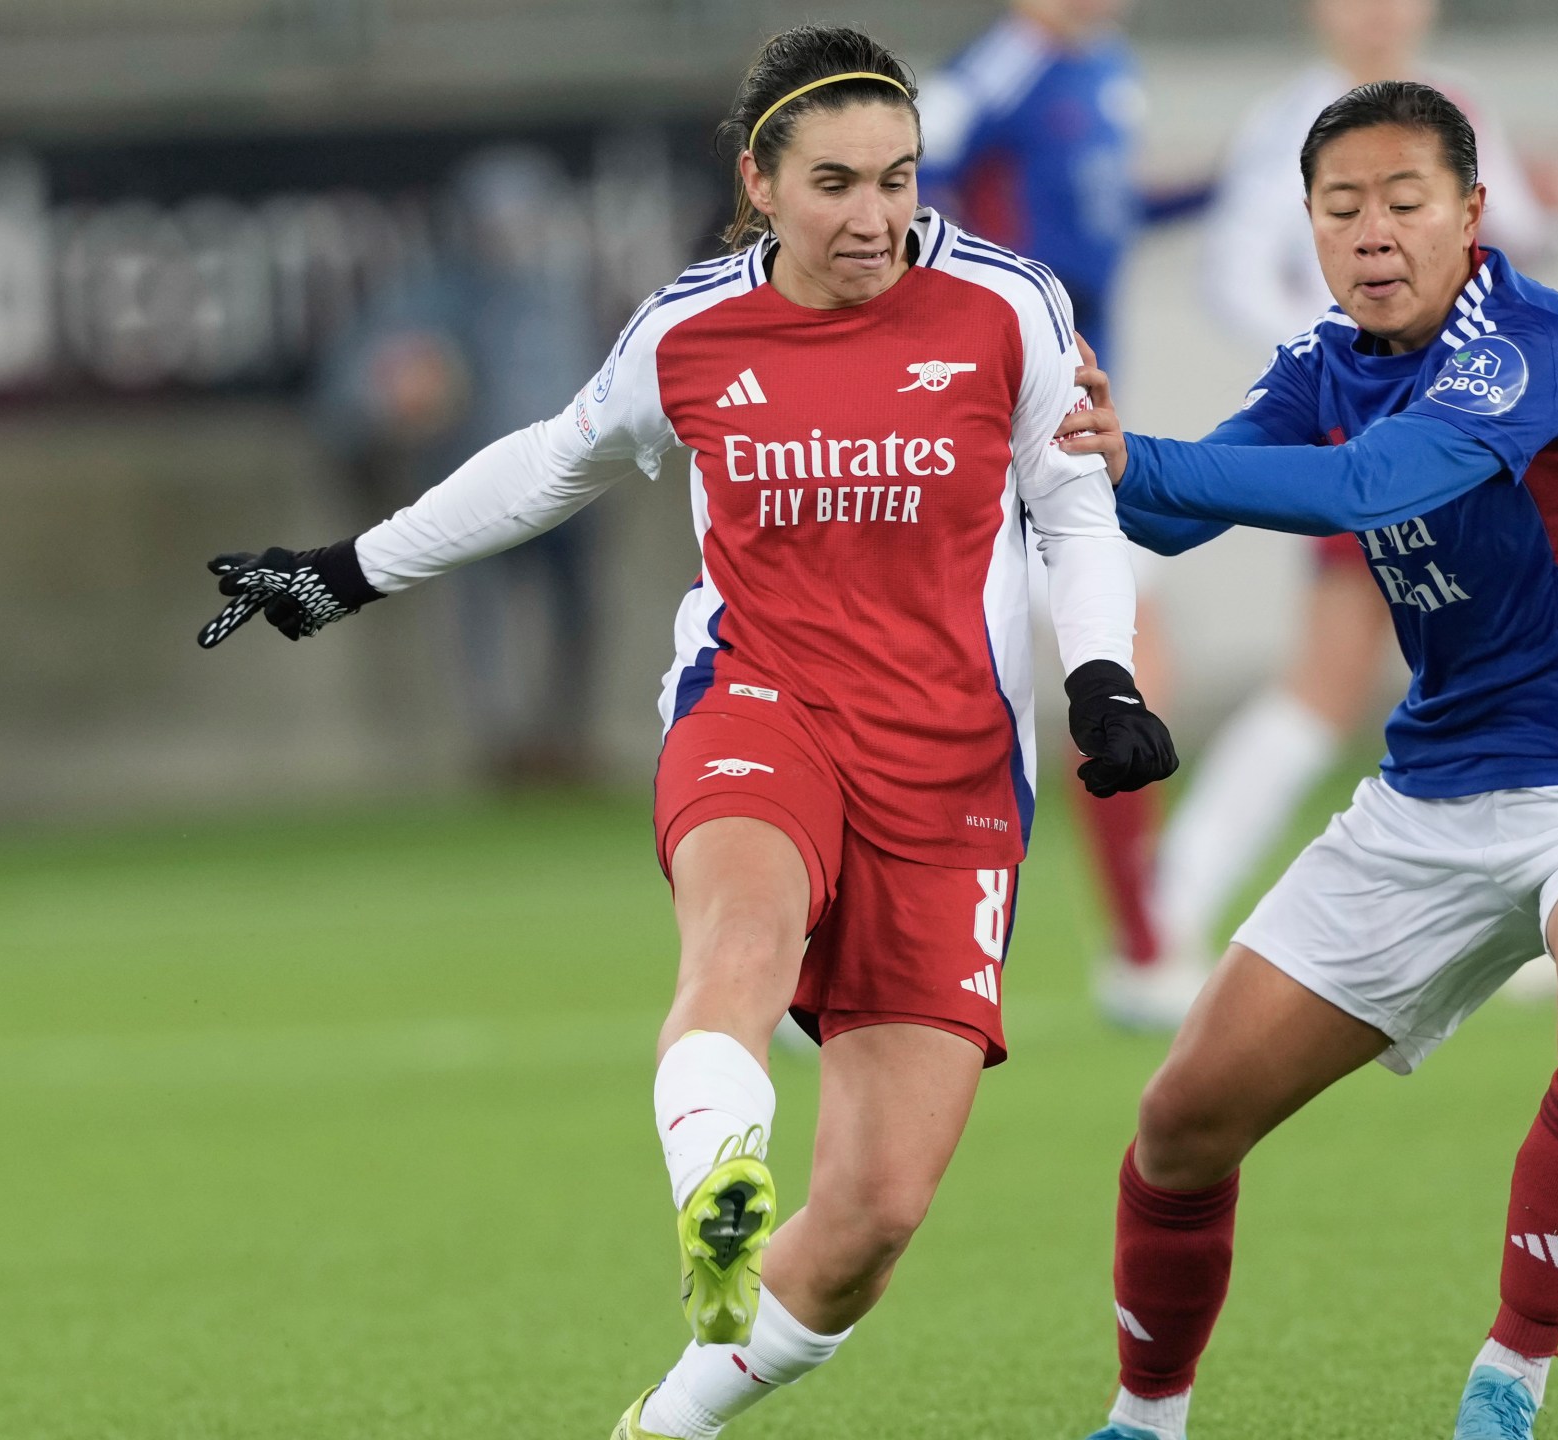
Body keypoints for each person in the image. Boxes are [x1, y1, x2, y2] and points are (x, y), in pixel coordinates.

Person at [194, 26, 1177, 1440]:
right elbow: (551, 462)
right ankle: (719, 1182)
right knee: (739, 944)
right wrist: (341, 572)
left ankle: (667, 1420)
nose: (874, 216)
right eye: (834, 182)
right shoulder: (694, 327)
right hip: (757, 706)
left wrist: (1102, 679)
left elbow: (1074, 509)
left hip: (952, 768)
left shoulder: (1011, 308)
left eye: (898, 180)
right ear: (759, 183)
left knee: (873, 1223)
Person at [1053, 81, 1558, 1440]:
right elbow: (1178, 509)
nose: (1374, 233)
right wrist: (1069, 443)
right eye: (1342, 209)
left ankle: (1508, 1381)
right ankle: (1144, 1422)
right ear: (1311, 231)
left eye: (1405, 202)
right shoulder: (1326, 365)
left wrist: (1139, 457)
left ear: (1471, 216)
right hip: (1438, 797)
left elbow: (1368, 489)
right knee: (1183, 1119)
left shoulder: (1531, 346)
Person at [1154, 0, 1558, 985]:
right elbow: (1235, 272)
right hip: (1382, 434)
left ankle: (1527, 914)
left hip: (1473, 427)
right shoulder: (1290, 123)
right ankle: (1170, 903)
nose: (1378, 14)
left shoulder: (1458, 110)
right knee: (1337, 675)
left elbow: (1520, 243)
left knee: (1495, 660)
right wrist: (1354, 349)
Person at [916, 0, 1207, 1029]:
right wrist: (976, 325)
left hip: (1074, 402)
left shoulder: (1097, 66)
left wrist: (1217, 192)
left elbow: (1101, 213)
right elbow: (911, 176)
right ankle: (1137, 953)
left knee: (1121, 665)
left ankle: (1140, 947)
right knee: (969, 686)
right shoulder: (1005, 64)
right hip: (999, 411)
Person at [315, 145, 606, 787]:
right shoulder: (434, 295)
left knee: (574, 612)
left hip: (571, 493)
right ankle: (500, 746)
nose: (513, 239)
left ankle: (565, 740)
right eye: (498, 224)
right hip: (482, 490)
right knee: (485, 618)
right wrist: (392, 396)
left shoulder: (564, 294)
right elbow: (358, 384)